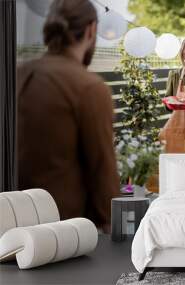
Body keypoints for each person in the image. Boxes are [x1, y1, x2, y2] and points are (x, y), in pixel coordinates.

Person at [17, 0, 119, 231]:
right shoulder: (88, 87)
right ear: (91, 29)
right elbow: (102, 169)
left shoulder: (17, 74)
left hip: (12, 224)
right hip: (63, 230)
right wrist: (113, 226)